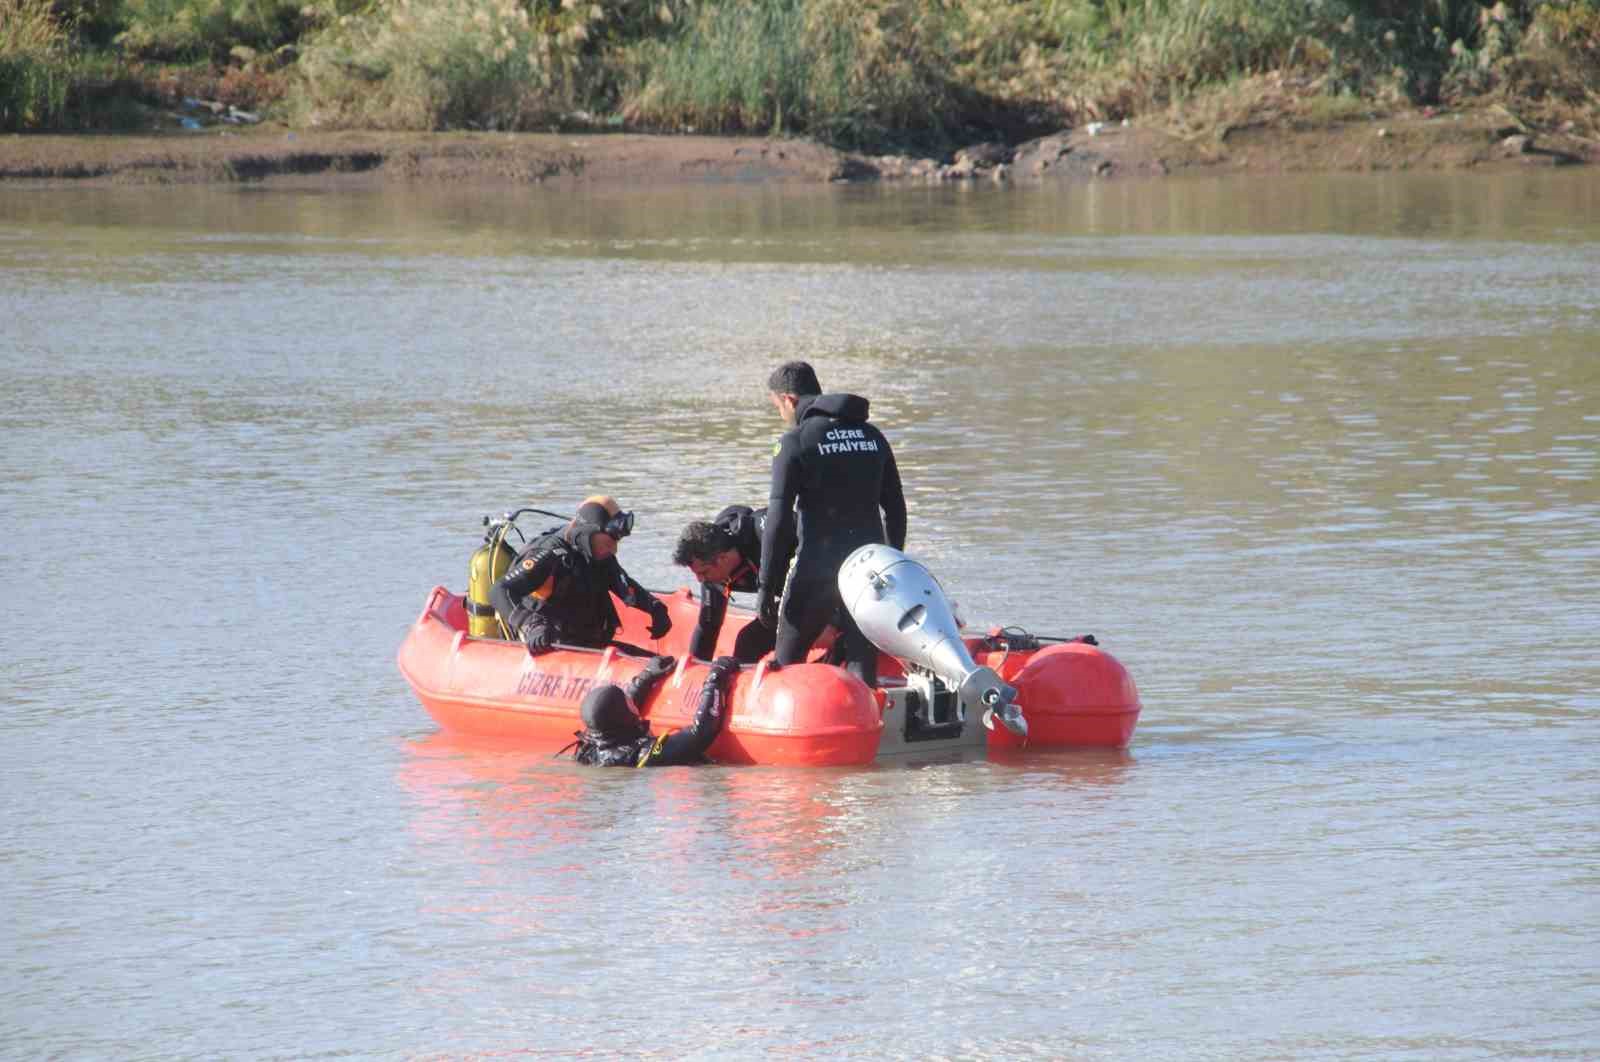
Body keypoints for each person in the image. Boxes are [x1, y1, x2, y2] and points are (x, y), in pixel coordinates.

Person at [757, 361, 907, 687]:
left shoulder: (794, 442)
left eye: (778, 407)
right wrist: (893, 564)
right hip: (868, 573)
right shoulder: (873, 436)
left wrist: (767, 585)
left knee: (786, 667)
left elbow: (779, 520)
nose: (782, 415)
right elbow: (895, 509)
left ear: (789, 400)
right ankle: (866, 726)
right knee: (861, 668)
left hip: (816, 570)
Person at [489, 495, 672, 657]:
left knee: (658, 664)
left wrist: (654, 607)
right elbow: (499, 590)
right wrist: (530, 625)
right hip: (554, 649)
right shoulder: (549, 555)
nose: (614, 549)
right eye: (609, 543)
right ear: (589, 533)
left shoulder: (598, 554)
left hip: (588, 646)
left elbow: (624, 585)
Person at [570, 654, 741, 767]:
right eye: (626, 701)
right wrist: (715, 679)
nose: (630, 699)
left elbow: (614, 713)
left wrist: (645, 678)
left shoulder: (590, 747)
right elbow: (700, 733)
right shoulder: (644, 754)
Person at [671, 504, 782, 664]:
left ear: (722, 559)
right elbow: (708, 626)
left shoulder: (764, 541)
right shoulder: (713, 561)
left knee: (749, 639)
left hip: (815, 584)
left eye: (703, 572)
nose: (700, 580)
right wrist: (694, 671)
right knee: (715, 622)